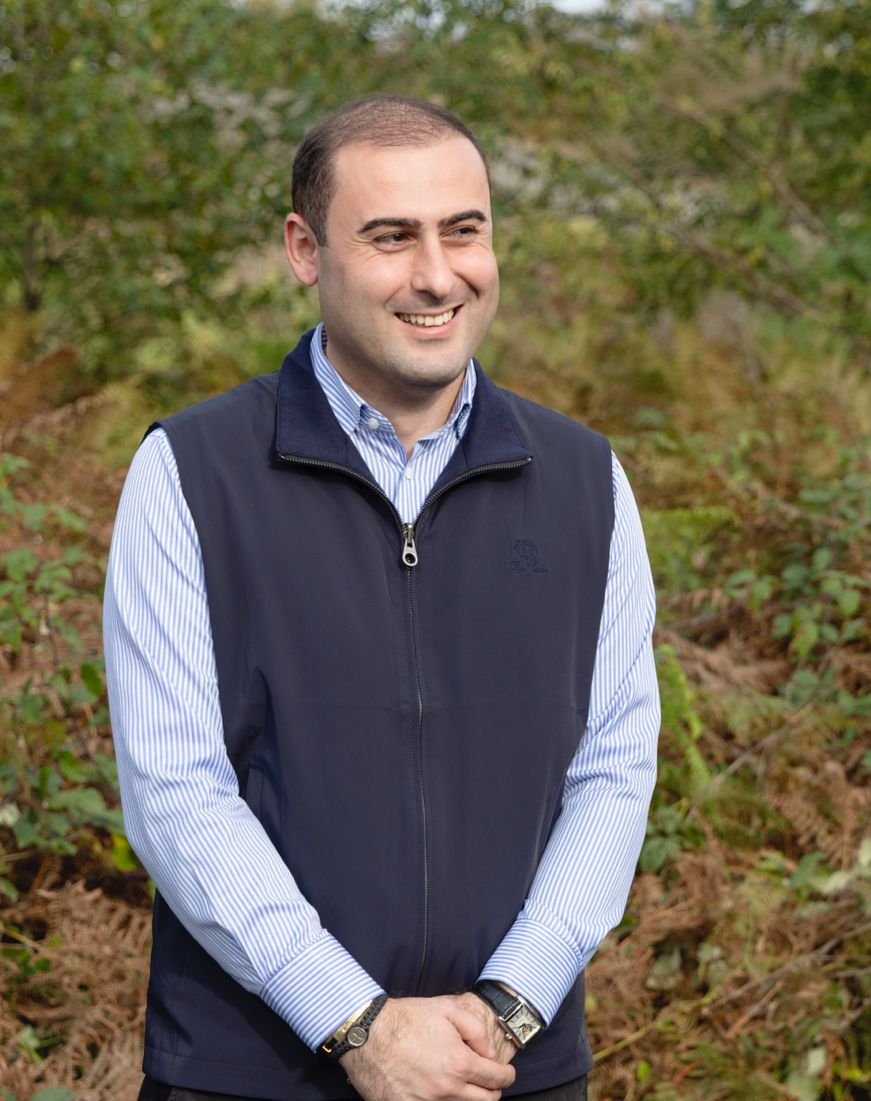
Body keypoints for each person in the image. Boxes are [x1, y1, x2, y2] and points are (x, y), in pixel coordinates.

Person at [105, 94, 659, 1101]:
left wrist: (506, 1010)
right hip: (251, 1076)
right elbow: (176, 790)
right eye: (391, 237)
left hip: (507, 1071)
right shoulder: (191, 472)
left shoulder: (587, 481)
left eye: (464, 231)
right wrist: (357, 1024)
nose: (438, 275)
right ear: (304, 249)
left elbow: (613, 769)